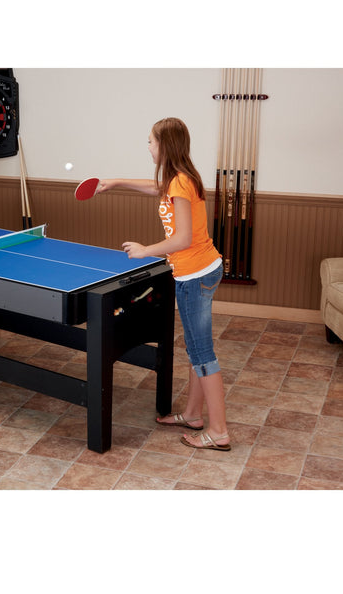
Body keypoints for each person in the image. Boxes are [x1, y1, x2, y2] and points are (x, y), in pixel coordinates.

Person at [97, 117, 230, 451]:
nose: (148, 147)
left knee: (202, 353)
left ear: (164, 146)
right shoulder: (178, 179)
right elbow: (155, 187)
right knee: (196, 349)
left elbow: (183, 238)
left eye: (151, 141)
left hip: (196, 274)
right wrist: (116, 182)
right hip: (198, 270)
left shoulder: (180, 183)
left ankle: (219, 431)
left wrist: (146, 250)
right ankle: (193, 415)